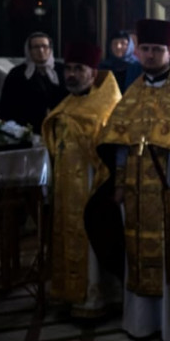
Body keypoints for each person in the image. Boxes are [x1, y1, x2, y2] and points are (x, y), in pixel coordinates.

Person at [94, 19, 170, 341]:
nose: (151, 55)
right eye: (145, 49)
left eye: (158, 49)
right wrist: (117, 184)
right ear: (137, 51)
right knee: (138, 256)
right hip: (135, 193)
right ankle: (142, 324)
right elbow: (120, 143)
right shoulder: (133, 90)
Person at [42, 42, 123, 318]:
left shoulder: (107, 106)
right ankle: (67, 293)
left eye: (79, 69)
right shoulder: (68, 103)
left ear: (93, 72)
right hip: (67, 187)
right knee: (66, 232)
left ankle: (94, 298)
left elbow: (112, 151)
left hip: (93, 187)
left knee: (92, 237)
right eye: (69, 69)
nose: (72, 75)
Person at [0, 32, 68, 130]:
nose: (41, 50)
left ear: (50, 49)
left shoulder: (61, 70)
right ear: (29, 50)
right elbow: (7, 106)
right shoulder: (17, 74)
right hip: (27, 128)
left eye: (44, 46)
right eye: (36, 47)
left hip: (60, 127)